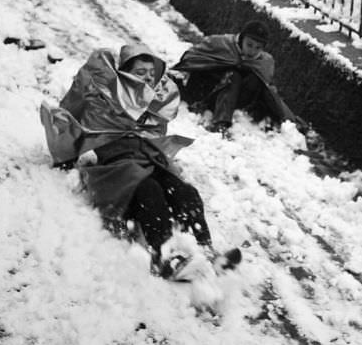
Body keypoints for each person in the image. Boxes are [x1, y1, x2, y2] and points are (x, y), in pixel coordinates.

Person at [39, 43, 240, 278]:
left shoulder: (153, 105)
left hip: (149, 159)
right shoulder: (103, 98)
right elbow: (72, 111)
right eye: (140, 72)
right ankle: (164, 258)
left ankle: (206, 251)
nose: (147, 78)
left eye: (151, 74)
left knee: (186, 193)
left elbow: (157, 136)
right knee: (150, 191)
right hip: (116, 167)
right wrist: (64, 149)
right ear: (124, 72)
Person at [173, 19, 301, 136]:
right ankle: (220, 123)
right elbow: (192, 55)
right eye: (249, 45)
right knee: (233, 76)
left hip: (237, 100)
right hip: (210, 91)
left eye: (258, 48)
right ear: (241, 39)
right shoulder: (221, 43)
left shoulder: (265, 61)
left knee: (255, 81)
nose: (252, 51)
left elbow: (269, 87)